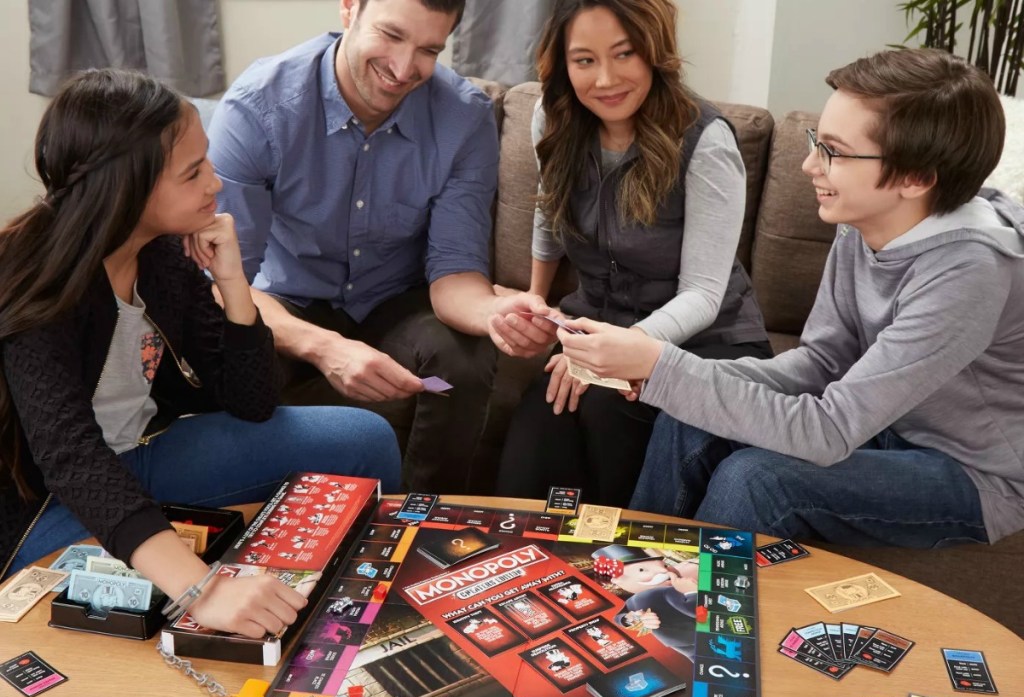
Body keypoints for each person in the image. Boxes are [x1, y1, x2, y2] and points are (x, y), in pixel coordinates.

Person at [558, 48, 1024, 549]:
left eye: (833, 152)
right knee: (687, 410)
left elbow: (828, 428)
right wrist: (660, 372)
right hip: (882, 423)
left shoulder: (971, 271)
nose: (808, 166)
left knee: (756, 478)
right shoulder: (864, 220)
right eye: (815, 143)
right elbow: (824, 361)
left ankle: (690, 619)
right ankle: (632, 576)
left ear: (916, 178)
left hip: (971, 473)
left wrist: (665, 367)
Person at [0, 69, 402, 638]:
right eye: (194, 172)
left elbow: (252, 401)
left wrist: (233, 284)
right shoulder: (34, 278)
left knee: (366, 441)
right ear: (127, 188)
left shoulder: (163, 257)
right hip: (45, 504)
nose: (216, 183)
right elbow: (70, 458)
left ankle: (352, 620)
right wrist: (204, 589)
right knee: (139, 607)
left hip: (148, 454)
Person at [207, 0, 556, 494]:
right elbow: (226, 282)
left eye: (428, 49)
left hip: (398, 303)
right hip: (286, 300)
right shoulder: (258, 108)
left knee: (464, 357)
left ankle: (427, 521)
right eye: (391, 35)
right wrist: (326, 348)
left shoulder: (463, 117)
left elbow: (455, 270)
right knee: (235, 355)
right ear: (349, 9)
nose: (402, 68)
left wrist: (498, 315)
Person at [495, 0, 770, 508]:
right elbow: (549, 208)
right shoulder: (552, 117)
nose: (605, 79)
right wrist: (536, 295)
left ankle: (626, 573)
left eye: (624, 54)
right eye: (584, 60)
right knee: (541, 417)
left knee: (606, 409)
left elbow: (705, 295)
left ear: (654, 50)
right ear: (562, 63)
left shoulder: (706, 141)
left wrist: (617, 355)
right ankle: (525, 570)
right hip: (600, 325)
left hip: (706, 343)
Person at [591, 545, 699, 659]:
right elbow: (619, 618)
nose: (663, 570)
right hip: (691, 638)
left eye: (665, 566)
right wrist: (633, 619)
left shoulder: (670, 591)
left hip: (687, 638)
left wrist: (691, 592)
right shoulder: (662, 593)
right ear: (619, 580)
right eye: (642, 570)